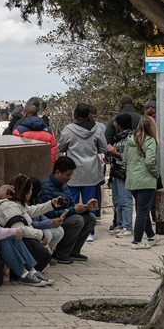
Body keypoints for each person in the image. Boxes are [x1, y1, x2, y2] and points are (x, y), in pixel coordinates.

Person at [57, 103, 107, 242]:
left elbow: (61, 146)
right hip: (91, 172)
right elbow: (103, 148)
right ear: (89, 115)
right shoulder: (97, 129)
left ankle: (71, 229)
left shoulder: (69, 129)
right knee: (90, 202)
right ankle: (89, 233)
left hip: (72, 172)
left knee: (71, 203)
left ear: (75, 115)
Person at [0, 174, 60, 277]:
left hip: (22, 239)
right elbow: (19, 229)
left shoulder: (17, 204)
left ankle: (31, 271)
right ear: (25, 191)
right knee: (43, 254)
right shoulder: (9, 206)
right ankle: (25, 272)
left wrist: (51, 204)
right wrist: (40, 235)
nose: (32, 192)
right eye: (31, 189)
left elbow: (31, 210)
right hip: (14, 241)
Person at [37, 156, 98, 264]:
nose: (69, 178)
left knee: (90, 218)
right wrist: (73, 210)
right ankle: (61, 252)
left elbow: (72, 205)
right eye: (67, 175)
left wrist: (86, 208)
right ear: (57, 172)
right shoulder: (46, 188)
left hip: (65, 217)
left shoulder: (64, 186)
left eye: (70, 175)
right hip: (53, 221)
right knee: (77, 220)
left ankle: (74, 251)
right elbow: (48, 214)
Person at [123, 116, 160, 249]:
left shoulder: (129, 140)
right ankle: (137, 241)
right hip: (146, 180)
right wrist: (156, 175)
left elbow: (125, 160)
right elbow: (150, 161)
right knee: (143, 211)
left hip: (132, 180)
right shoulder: (151, 141)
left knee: (142, 208)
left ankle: (151, 236)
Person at [106, 114, 135, 237]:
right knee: (117, 199)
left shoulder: (130, 138)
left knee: (125, 199)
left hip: (125, 171)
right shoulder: (118, 138)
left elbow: (131, 158)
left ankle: (127, 226)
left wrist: (117, 155)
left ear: (120, 125)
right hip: (116, 171)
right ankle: (120, 223)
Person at [26, 177, 66, 256]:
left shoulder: (34, 201)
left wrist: (54, 221)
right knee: (46, 233)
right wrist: (50, 223)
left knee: (59, 230)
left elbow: (41, 215)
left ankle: (48, 254)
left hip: (40, 226)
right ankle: (40, 256)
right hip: (30, 230)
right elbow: (31, 224)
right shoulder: (24, 204)